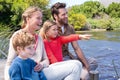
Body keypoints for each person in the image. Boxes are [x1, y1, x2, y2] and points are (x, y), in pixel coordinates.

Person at [4, 6, 82, 80]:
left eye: (41, 18)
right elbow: (9, 63)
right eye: (38, 18)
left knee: (77, 63)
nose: (41, 21)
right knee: (74, 68)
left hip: (41, 71)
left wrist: (41, 65)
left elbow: (46, 60)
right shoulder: (18, 36)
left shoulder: (39, 38)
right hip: (29, 74)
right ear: (28, 19)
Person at [50, 2, 98, 80]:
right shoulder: (48, 28)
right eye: (63, 15)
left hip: (68, 57)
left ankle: (81, 73)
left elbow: (76, 48)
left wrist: (87, 66)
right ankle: (79, 74)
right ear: (55, 16)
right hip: (58, 60)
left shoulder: (70, 27)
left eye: (66, 13)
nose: (66, 16)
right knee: (77, 65)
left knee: (93, 62)